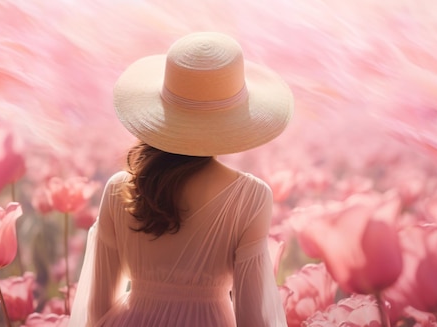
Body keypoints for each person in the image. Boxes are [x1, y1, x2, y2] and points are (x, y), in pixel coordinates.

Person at [69, 32, 293, 326]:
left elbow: (98, 309)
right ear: (234, 118)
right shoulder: (251, 197)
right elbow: (252, 317)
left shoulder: (119, 189)